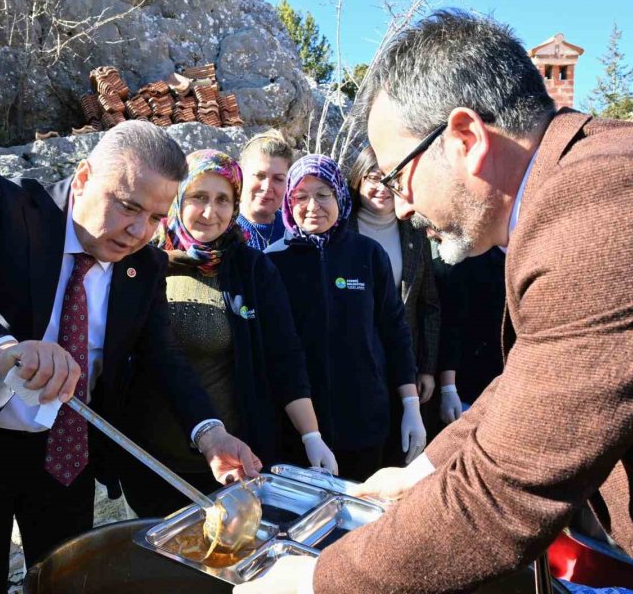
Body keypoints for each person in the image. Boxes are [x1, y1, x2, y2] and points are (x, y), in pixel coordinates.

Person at [237, 9, 633, 594]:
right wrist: (421, 471)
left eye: (400, 176)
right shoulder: (591, 177)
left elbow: (506, 492)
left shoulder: (612, 206)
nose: (401, 206)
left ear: (465, 138)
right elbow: (535, 384)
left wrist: (313, 582)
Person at [0, 121, 261, 594]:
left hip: (65, 452)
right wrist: (0, 348)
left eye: (156, 217)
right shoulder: (4, 205)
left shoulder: (146, 264)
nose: (138, 231)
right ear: (85, 177)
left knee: (69, 582)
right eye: (128, 206)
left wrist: (210, 433)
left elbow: (163, 355)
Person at [120, 150, 336, 517]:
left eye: (223, 200)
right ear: (177, 198)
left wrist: (311, 436)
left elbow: (284, 357)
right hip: (151, 461)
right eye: (198, 197)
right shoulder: (142, 263)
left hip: (231, 463)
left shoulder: (252, 269)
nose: (210, 212)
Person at [265, 154, 426, 483]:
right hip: (298, 429)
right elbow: (276, 352)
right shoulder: (271, 263)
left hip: (366, 420)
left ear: (339, 195)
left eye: (323, 194)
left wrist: (411, 405)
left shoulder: (367, 254)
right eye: (301, 196)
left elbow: (395, 331)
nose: (313, 206)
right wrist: (308, 434)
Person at [348, 146, 457, 452]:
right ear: (357, 180)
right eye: (372, 177)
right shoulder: (341, 229)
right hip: (354, 364)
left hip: (403, 363)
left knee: (403, 450)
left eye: (388, 178)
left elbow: (429, 305)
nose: (381, 187)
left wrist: (426, 368)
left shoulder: (413, 233)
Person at [433, 244, 505, 406]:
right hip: (471, 384)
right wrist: (448, 387)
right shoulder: (468, 265)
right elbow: (451, 328)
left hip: (506, 379)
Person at [236, 130, 293, 251]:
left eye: (278, 179)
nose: (267, 187)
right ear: (240, 175)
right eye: (259, 176)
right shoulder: (222, 231)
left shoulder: (294, 232)